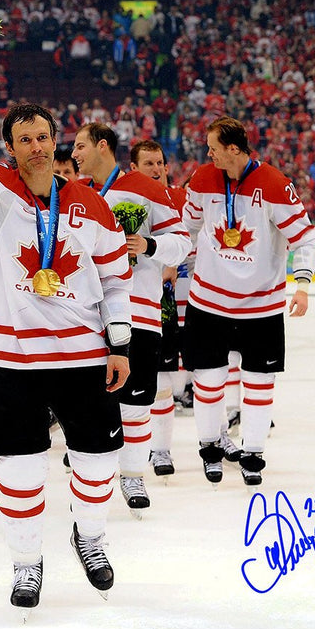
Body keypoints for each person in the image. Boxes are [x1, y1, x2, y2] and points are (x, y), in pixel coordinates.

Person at [0, 40, 131, 612]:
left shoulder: (91, 203)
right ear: (10, 148)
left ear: (56, 141)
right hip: (12, 358)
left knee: (98, 461)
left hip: (84, 355)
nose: (36, 147)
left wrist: (121, 345)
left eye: (43, 137)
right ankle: (26, 562)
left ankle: (89, 536)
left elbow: (115, 282)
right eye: (24, 140)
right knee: (19, 468)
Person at [182, 116, 315, 487]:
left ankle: (254, 453)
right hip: (208, 303)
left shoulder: (275, 185)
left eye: (213, 146)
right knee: (208, 382)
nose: (207, 153)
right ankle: (210, 449)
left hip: (261, 307)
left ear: (233, 148)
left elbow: (306, 238)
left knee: (259, 383)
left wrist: (303, 284)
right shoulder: (201, 179)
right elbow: (186, 229)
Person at [72, 124, 190, 514]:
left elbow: (182, 243)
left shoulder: (147, 188)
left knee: (137, 403)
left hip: (139, 311)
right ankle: (97, 478)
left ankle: (134, 475)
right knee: (94, 402)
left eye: (80, 145)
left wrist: (149, 244)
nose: (74, 153)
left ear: (102, 146)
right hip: (89, 315)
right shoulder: (79, 193)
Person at [128, 140, 198, 477]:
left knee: (164, 379)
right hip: (129, 304)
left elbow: (192, 240)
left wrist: (173, 259)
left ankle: (161, 450)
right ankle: (119, 450)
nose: (156, 170)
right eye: (148, 164)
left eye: (160, 163)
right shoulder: (125, 200)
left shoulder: (181, 200)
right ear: (133, 169)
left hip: (167, 301)